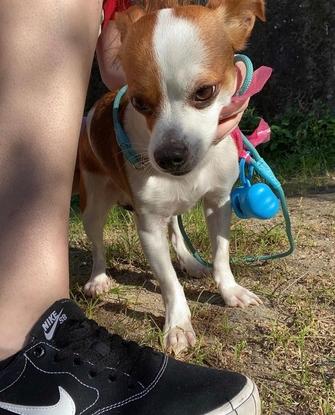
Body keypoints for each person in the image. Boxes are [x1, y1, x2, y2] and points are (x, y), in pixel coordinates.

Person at [0, 1, 259, 414]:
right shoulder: (124, 43)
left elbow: (219, 203)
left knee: (206, 199)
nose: (171, 142)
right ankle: (106, 271)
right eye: (145, 103)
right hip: (103, 152)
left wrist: (224, 276)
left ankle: (218, 273)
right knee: (109, 213)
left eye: (202, 93)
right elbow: (115, 69)